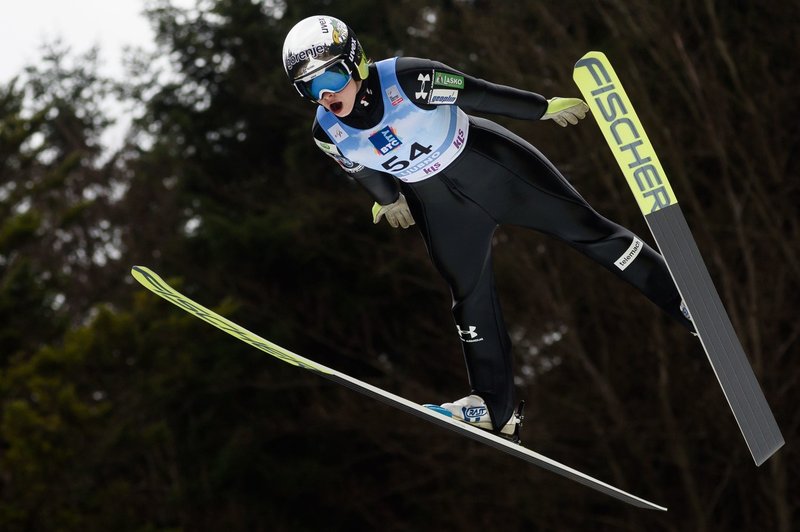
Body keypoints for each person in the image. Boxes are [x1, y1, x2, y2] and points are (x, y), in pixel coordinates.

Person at [281, 15, 695, 439]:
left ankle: (682, 298)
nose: (326, 93)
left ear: (355, 61)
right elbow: (361, 170)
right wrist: (387, 200)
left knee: (589, 231)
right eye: (310, 87)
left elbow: (478, 93)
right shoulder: (326, 131)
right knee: (468, 297)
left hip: (496, 169)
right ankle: (494, 406)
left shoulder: (407, 79)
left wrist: (542, 108)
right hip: (441, 208)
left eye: (330, 75)